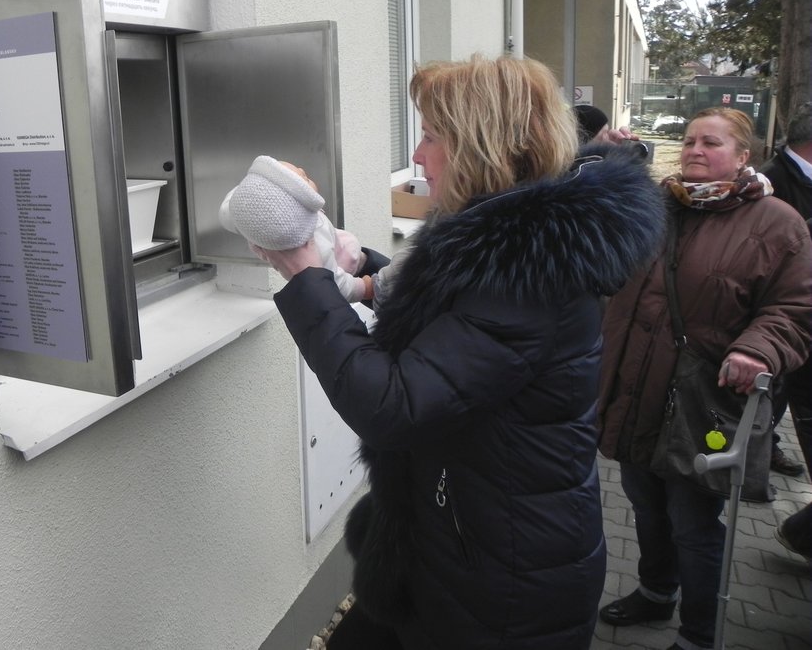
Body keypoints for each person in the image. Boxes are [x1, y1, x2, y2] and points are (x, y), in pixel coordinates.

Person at [252, 54, 666, 649]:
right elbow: (451, 313)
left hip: (501, 586)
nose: (416, 156)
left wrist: (303, 275)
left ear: (483, 146)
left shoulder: (525, 277)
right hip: (457, 539)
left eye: (428, 136)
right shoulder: (508, 243)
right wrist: (363, 272)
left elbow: (392, 405)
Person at [597, 107, 812, 650]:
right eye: (690, 139)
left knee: (692, 523)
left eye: (711, 143)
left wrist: (757, 349)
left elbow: (794, 309)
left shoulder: (777, 223)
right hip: (636, 389)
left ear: (743, 157)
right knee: (644, 504)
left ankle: (698, 635)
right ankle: (654, 591)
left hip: (702, 402)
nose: (695, 149)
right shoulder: (655, 207)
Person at [219, 155, 375, 304]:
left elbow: (228, 209)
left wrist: (252, 192)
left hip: (337, 245)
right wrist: (363, 288)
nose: (302, 168)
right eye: (305, 179)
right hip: (346, 262)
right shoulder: (316, 243)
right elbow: (334, 282)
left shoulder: (250, 220)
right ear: (297, 209)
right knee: (351, 248)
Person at [760, 101, 812, 478]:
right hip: (779, 313)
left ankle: (763, 447)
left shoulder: (799, 175)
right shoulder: (773, 181)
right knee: (775, 391)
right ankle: (753, 457)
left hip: (797, 308)